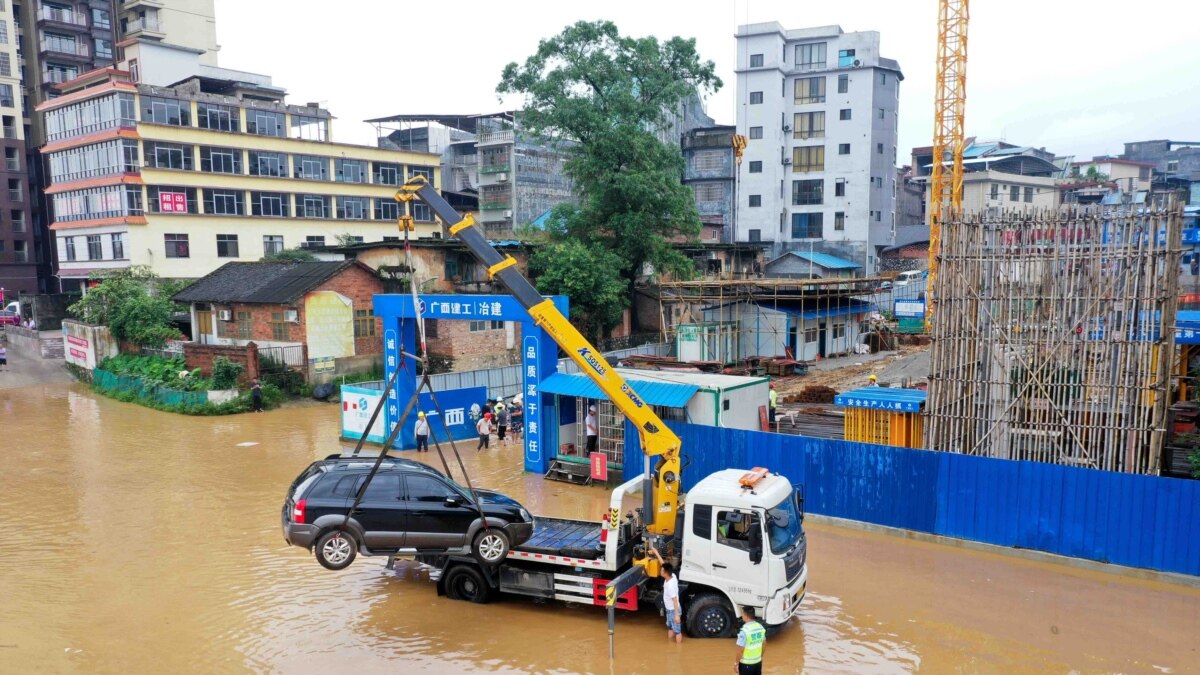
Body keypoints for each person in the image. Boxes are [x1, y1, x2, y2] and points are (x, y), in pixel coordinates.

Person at [649, 547, 682, 643]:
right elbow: (663, 564)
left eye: (661, 570)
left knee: (677, 631)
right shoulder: (672, 576)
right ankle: (670, 647)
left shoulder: (671, 586)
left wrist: (676, 615)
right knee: (670, 627)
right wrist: (656, 553)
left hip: (673, 610)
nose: (660, 570)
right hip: (669, 610)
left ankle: (678, 650)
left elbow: (675, 600)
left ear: (666, 573)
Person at [734, 605, 766, 674]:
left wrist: (736, 663)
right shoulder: (760, 627)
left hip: (746, 665)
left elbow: (740, 651)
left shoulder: (744, 631)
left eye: (742, 613)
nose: (741, 615)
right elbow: (764, 644)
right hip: (758, 662)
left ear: (746, 615)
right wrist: (760, 657)